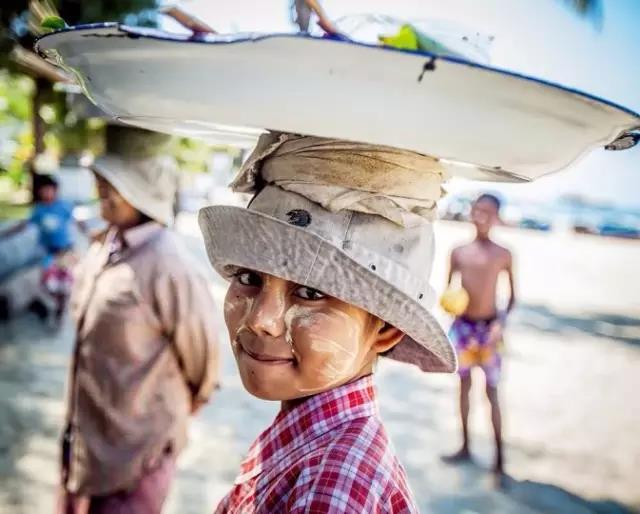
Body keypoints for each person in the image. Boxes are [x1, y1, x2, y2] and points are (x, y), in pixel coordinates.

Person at [198, 132, 457, 513]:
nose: (260, 320)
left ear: (385, 329)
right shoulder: (307, 442)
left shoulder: (335, 482)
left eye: (310, 293)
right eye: (249, 278)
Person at [58, 149, 220, 514]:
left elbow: (202, 358)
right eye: (101, 180)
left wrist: (180, 408)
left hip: (136, 453)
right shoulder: (105, 244)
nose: (101, 189)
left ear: (143, 194)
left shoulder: (169, 265)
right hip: (87, 436)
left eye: (114, 183)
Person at [441, 193, 516, 476]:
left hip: (490, 330)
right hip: (463, 328)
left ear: (497, 218)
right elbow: (448, 291)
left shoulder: (503, 254)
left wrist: (500, 324)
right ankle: (465, 447)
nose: (481, 216)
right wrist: (450, 306)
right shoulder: (458, 252)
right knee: (463, 387)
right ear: (471, 211)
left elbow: (512, 296)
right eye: (477, 210)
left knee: (492, 391)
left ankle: (499, 459)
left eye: (488, 212)